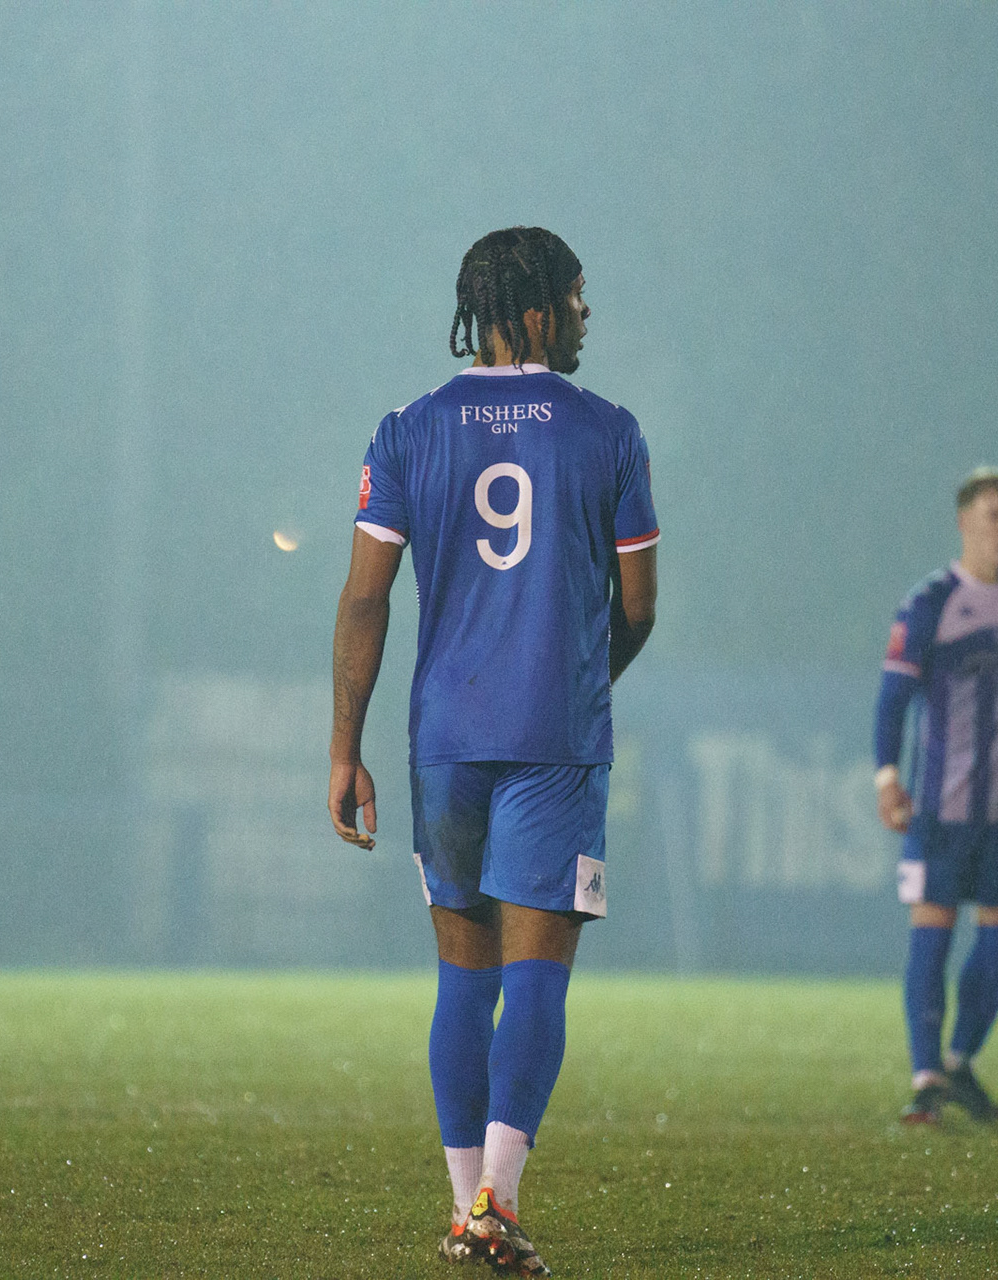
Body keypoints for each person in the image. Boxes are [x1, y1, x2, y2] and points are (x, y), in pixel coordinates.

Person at [327, 227, 658, 1274]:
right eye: (578, 297)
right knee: (539, 973)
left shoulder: (407, 429)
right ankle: (497, 1206)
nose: (587, 315)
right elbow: (638, 607)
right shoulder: (608, 432)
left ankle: (463, 1210)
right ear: (538, 311)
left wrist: (344, 748)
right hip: (551, 738)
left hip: (445, 740)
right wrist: (578, 674)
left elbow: (365, 599)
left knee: (463, 979)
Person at [874, 469, 998, 1125]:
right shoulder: (930, 603)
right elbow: (893, 698)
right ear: (964, 522)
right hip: (941, 809)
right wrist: (887, 777)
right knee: (933, 930)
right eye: (995, 514)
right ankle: (925, 1079)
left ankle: (958, 1063)